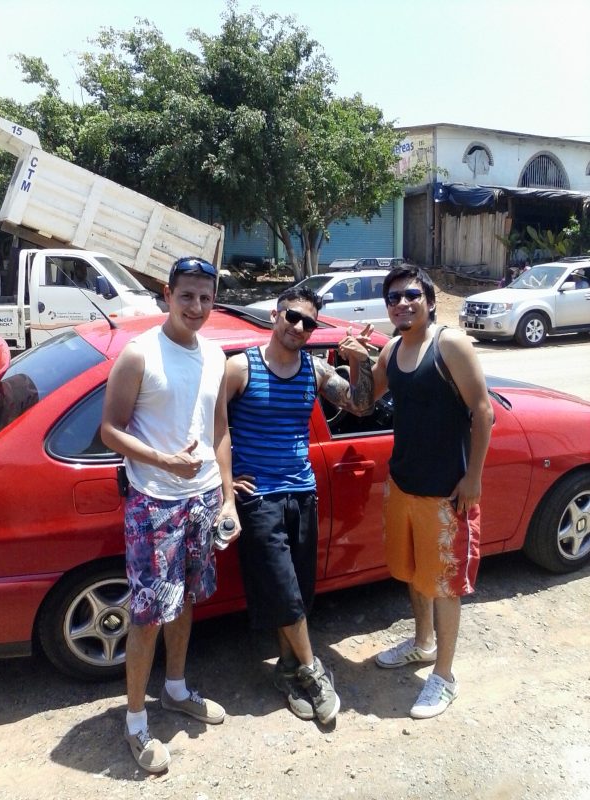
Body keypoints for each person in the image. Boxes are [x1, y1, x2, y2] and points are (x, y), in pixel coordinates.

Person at [101, 256, 240, 773]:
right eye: (187, 296)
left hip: (203, 499)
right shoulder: (139, 355)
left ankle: (176, 689)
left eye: (206, 297)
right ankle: (136, 722)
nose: (197, 307)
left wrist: (225, 497)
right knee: (147, 615)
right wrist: (164, 462)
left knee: (184, 603)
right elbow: (110, 430)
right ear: (167, 294)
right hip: (153, 502)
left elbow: (219, 428)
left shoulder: (214, 355)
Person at [226, 286, 373, 725]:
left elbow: (362, 406)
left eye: (308, 323)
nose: (299, 327)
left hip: (302, 492)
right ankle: (314, 671)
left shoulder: (315, 370)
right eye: (292, 317)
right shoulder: (240, 368)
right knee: (283, 587)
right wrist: (224, 481)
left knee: (298, 589)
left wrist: (359, 362)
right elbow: (210, 425)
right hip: (258, 497)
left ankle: (288, 672)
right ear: (275, 315)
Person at [370, 264, 494, 719]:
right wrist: (354, 361)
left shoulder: (449, 344)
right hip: (403, 483)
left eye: (410, 295)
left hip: (447, 490)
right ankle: (422, 644)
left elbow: (483, 412)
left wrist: (474, 477)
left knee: (444, 585)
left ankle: (443, 676)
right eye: (393, 297)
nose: (401, 303)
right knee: (413, 572)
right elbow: (364, 400)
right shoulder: (391, 349)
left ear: (428, 299)